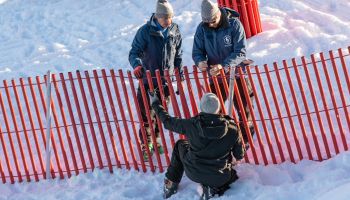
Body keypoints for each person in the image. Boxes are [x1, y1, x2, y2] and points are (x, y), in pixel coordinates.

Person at [150, 92, 246, 199]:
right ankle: (213, 189)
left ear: (201, 107)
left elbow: (168, 122)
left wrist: (155, 103)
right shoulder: (232, 128)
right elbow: (239, 155)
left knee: (180, 145)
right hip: (220, 176)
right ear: (218, 108)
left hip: (193, 172)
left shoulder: (191, 125)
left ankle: (171, 184)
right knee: (231, 175)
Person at [192, 0, 255, 145]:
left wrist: (223, 65)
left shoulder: (234, 25)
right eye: (207, 22)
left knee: (245, 110)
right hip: (216, 77)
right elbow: (197, 51)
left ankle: (245, 141)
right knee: (215, 112)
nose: (211, 24)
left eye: (213, 20)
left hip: (236, 74)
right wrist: (200, 61)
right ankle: (221, 143)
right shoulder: (202, 28)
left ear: (218, 13)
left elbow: (240, 52)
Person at [129, 0, 183, 160]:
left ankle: (157, 140)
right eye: (165, 18)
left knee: (160, 114)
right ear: (158, 17)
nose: (168, 21)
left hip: (165, 82)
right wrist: (137, 66)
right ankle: (146, 145)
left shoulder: (174, 30)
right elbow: (134, 53)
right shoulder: (145, 32)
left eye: (170, 18)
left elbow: (178, 55)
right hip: (148, 81)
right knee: (146, 115)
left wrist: (178, 75)